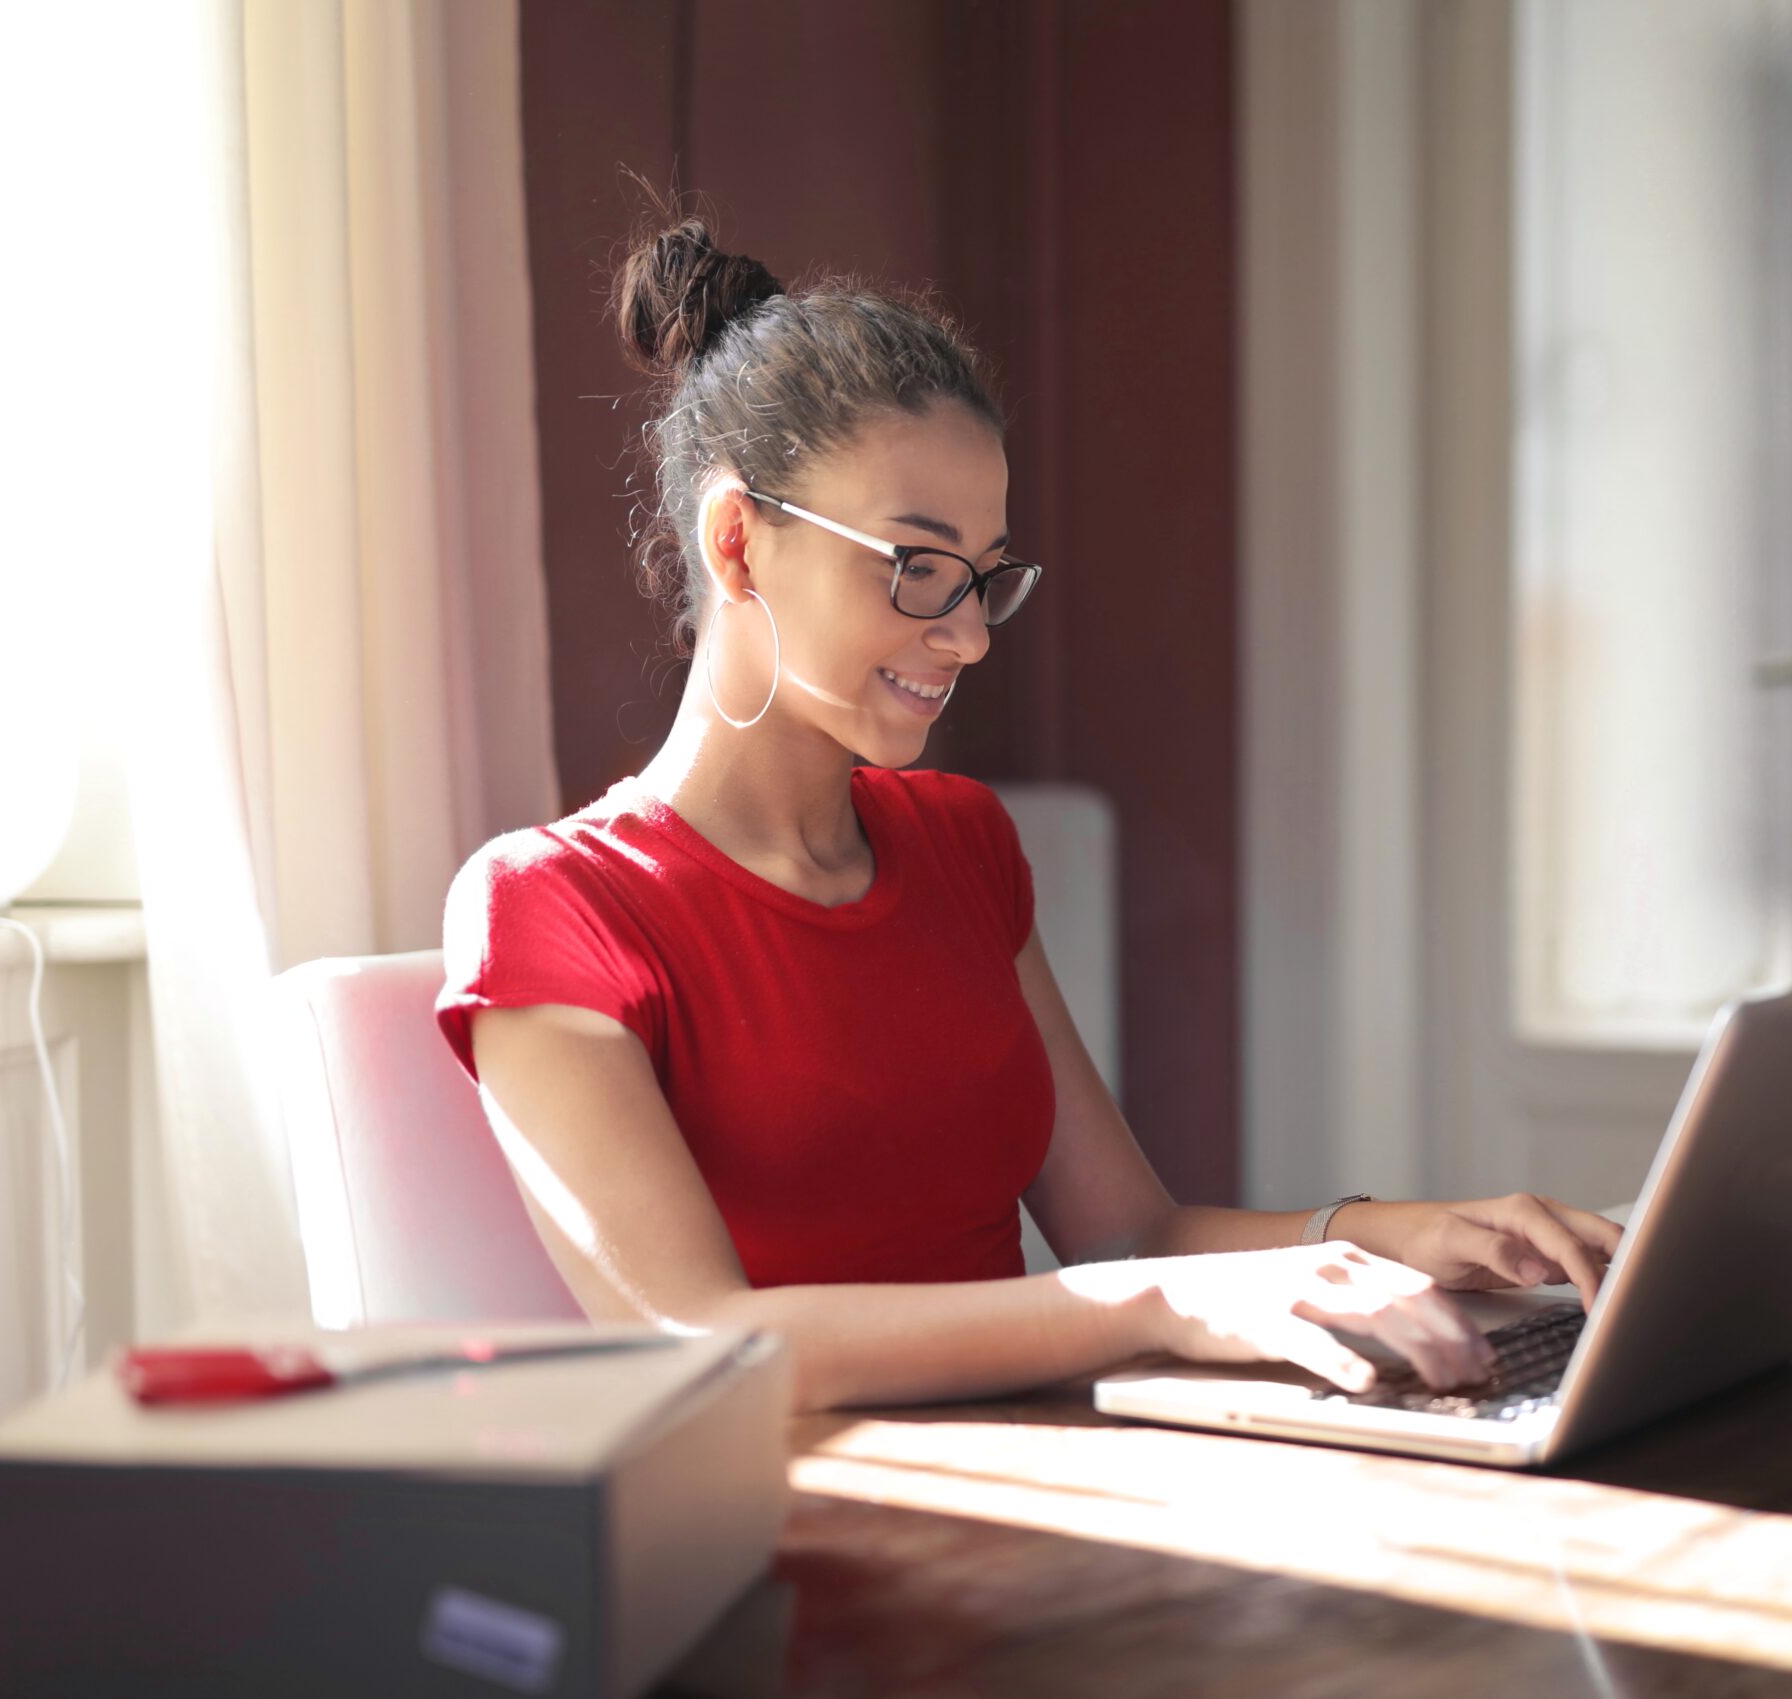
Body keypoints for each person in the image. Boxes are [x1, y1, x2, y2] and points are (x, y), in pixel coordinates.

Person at [436, 209, 1623, 1413]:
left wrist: (1407, 1235)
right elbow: (700, 1335)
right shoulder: (549, 905)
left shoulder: (960, 843)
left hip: (1055, 1480)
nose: (963, 633)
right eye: (916, 564)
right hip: (808, 1526)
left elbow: (1132, 1231)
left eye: (986, 576)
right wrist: (1151, 1306)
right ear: (738, 543)